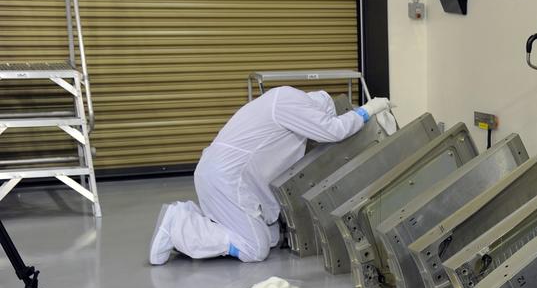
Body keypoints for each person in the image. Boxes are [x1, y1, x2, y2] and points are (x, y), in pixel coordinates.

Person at [149, 87, 392, 265]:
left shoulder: (280, 101)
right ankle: (178, 224)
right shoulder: (291, 102)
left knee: (272, 236)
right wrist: (368, 110)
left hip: (219, 175)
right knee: (255, 248)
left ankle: (197, 221)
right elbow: (333, 130)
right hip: (227, 180)